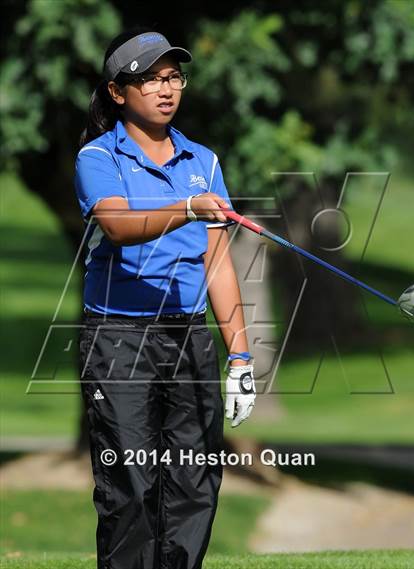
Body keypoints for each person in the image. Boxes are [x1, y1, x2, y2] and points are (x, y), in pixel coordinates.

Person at [75, 26, 256, 569]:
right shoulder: (98, 157)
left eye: (174, 76)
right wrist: (187, 208)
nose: (165, 88)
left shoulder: (203, 160)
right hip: (118, 340)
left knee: (195, 483)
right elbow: (118, 226)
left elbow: (217, 260)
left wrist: (241, 356)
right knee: (131, 482)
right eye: (149, 79)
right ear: (117, 91)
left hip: (189, 339)